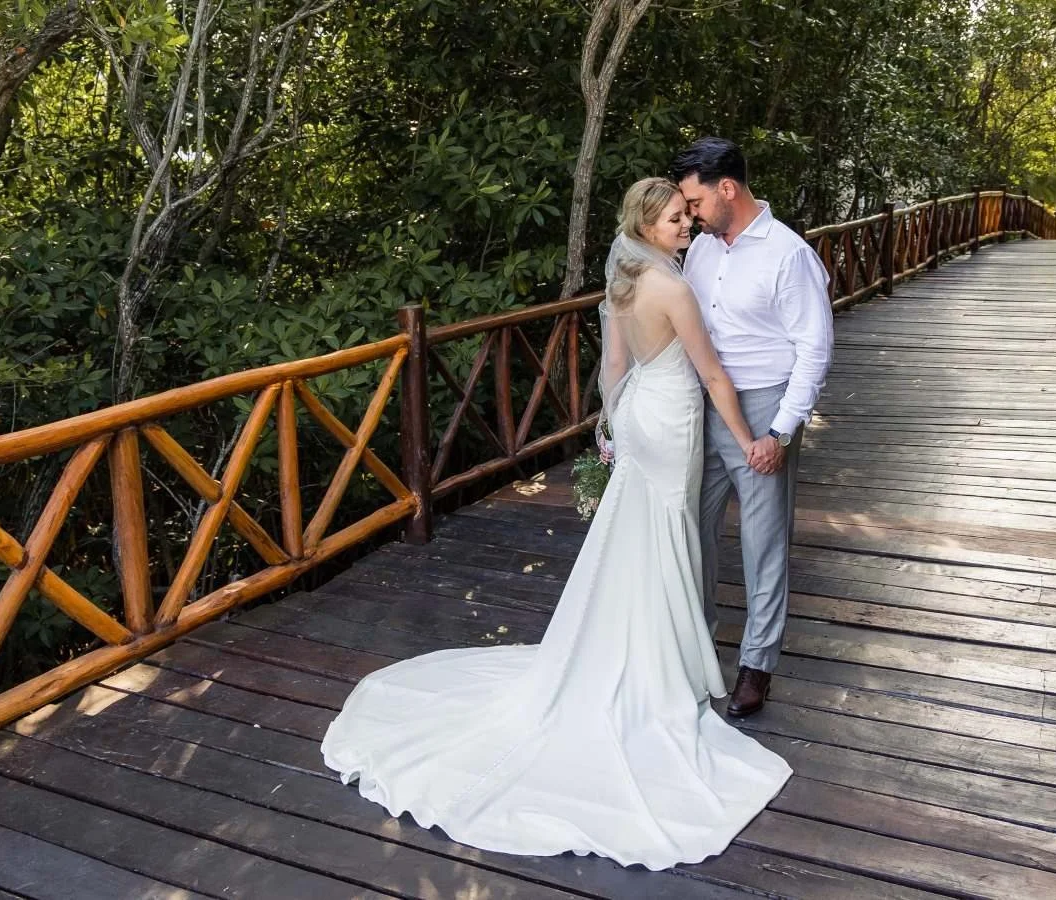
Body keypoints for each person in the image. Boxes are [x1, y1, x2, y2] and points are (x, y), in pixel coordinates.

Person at [321, 177, 792, 871]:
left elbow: (613, 366)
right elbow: (714, 375)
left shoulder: (626, 283)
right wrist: (750, 437)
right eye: (673, 220)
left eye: (685, 217)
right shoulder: (673, 290)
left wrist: (609, 426)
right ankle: (659, 669)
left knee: (641, 537)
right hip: (671, 421)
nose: (685, 227)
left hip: (636, 420)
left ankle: (656, 653)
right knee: (664, 535)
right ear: (645, 224)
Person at [671, 138, 833, 718]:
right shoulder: (702, 251)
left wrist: (782, 432)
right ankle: (697, 645)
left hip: (764, 411)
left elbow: (814, 350)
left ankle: (756, 666)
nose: (689, 213)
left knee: (763, 546)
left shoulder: (788, 255)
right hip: (703, 407)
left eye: (694, 201)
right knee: (690, 530)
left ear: (727, 189)